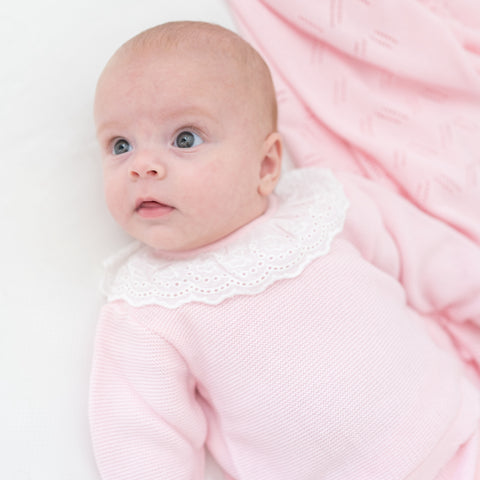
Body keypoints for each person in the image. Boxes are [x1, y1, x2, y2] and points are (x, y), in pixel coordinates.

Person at [89, 21, 480, 479]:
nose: (143, 166)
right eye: (120, 145)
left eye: (185, 139)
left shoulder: (325, 207)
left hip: (459, 430)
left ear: (267, 164)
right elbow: (142, 441)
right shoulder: (147, 309)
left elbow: (439, 262)